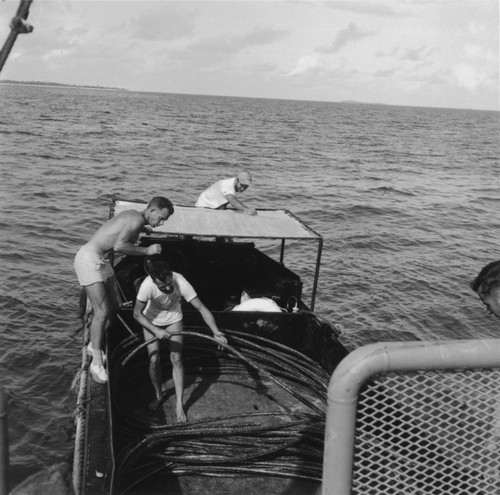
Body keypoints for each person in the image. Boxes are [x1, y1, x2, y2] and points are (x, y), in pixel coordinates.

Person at [74, 196, 174, 384]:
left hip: (102, 261)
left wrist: (143, 229)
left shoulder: (135, 217)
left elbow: (118, 230)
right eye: (161, 218)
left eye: (164, 220)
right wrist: (147, 251)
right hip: (89, 260)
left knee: (117, 305)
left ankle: (92, 344)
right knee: (101, 311)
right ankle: (96, 361)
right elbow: (120, 246)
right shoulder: (136, 220)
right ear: (151, 210)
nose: (161, 223)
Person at [133, 255, 227, 419]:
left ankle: (179, 405)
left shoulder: (181, 282)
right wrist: (155, 330)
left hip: (174, 318)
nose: (168, 288)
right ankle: (158, 395)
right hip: (151, 320)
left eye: (169, 283)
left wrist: (215, 331)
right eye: (163, 286)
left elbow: (202, 309)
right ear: (154, 281)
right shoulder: (147, 286)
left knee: (176, 358)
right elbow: (137, 314)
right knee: (154, 359)